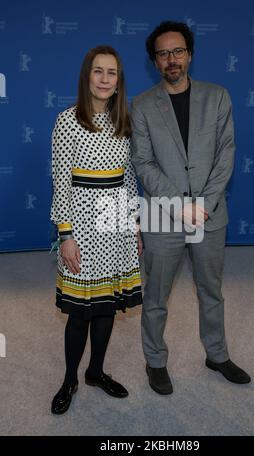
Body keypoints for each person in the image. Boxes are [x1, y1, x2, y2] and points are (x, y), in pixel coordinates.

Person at [131, 21, 251, 395]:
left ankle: (216, 354)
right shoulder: (141, 105)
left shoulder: (218, 97)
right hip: (162, 215)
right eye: (163, 53)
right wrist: (180, 206)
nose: (172, 59)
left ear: (190, 54)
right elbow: (143, 163)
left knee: (210, 290)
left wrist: (203, 204)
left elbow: (225, 154)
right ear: (154, 61)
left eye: (178, 51)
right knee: (156, 296)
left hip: (209, 213)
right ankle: (155, 361)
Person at [50, 45, 142, 414]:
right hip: (82, 225)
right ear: (87, 76)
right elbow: (61, 182)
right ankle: (70, 378)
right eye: (98, 71)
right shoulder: (67, 120)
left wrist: (135, 223)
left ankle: (96, 372)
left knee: (106, 308)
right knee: (79, 312)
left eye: (112, 73)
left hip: (117, 222)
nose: (105, 79)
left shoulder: (124, 121)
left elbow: (130, 177)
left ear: (119, 82)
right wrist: (65, 234)